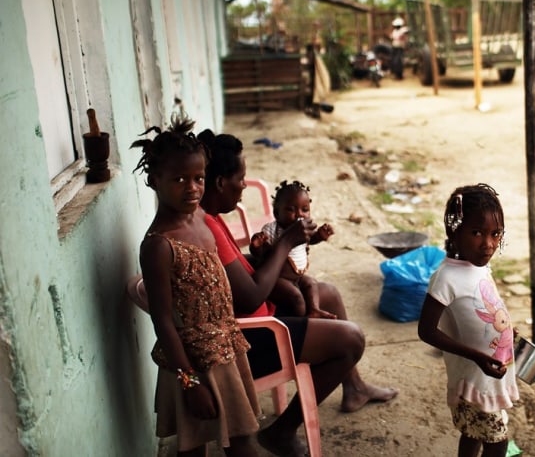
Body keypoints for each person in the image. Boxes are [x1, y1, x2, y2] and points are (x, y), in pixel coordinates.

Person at [197, 130, 398, 455]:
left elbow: (237, 272)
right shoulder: (207, 226)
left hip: (256, 317)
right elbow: (249, 297)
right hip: (252, 338)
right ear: (220, 183)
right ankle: (282, 430)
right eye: (241, 178)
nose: (245, 185)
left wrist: (263, 255)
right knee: (351, 339)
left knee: (327, 292)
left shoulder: (211, 219)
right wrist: (287, 242)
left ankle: (354, 387)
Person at [131, 118, 260, 457]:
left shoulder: (202, 221)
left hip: (226, 350)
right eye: (179, 179)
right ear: (154, 181)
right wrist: (190, 382)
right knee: (193, 446)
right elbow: (163, 321)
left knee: (243, 439)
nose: (192, 188)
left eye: (198, 178)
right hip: (190, 363)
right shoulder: (159, 246)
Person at [418, 184, 519, 457]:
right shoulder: (446, 278)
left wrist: (508, 330)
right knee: (497, 443)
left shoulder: (482, 266)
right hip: (474, 379)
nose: (488, 244)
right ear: (455, 231)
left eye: (495, 234)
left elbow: (486, 304)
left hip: (488, 374)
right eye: (477, 232)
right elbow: (426, 331)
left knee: (473, 433)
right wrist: (475, 356)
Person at [249, 180, 337, 319]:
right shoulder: (272, 230)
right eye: (291, 209)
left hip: (297, 276)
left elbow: (310, 240)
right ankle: (298, 324)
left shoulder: (304, 229)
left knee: (311, 283)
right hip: (278, 278)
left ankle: (314, 309)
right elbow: (261, 255)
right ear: (277, 213)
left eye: (305, 209)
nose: (299, 214)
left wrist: (320, 235)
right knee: (297, 299)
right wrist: (256, 246)